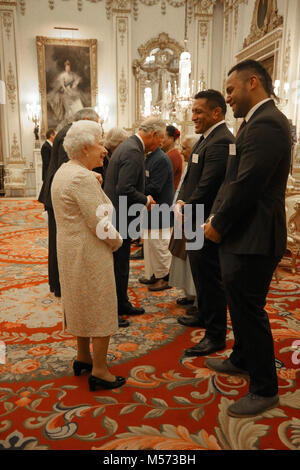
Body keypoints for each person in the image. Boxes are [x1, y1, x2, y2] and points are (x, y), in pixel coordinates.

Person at [203, 60, 291, 417]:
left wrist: (218, 224)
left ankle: (265, 387)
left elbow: (249, 184)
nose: (228, 99)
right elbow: (233, 179)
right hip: (244, 233)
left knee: (249, 309)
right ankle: (241, 357)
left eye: (230, 90)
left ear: (252, 82)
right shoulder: (253, 123)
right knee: (238, 303)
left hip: (255, 236)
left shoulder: (268, 122)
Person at [51, 120, 125, 391]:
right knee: (99, 305)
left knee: (79, 301)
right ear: (85, 147)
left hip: (70, 250)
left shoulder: (65, 171)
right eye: (100, 143)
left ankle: (83, 357)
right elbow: (101, 223)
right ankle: (100, 370)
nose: (104, 149)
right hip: (90, 251)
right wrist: (117, 242)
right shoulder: (82, 178)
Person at [174, 90, 235, 359]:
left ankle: (215, 335)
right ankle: (203, 315)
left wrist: (185, 206)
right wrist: (182, 202)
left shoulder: (222, 140)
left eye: (198, 111)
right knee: (200, 273)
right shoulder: (206, 139)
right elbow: (192, 179)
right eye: (193, 111)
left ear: (216, 113)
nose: (193, 116)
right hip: (194, 216)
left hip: (206, 221)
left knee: (210, 278)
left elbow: (210, 184)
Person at [104, 117, 164, 327]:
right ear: (154, 134)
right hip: (119, 217)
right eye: (161, 139)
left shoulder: (130, 146)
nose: (161, 144)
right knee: (117, 265)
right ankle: (112, 310)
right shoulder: (132, 150)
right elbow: (125, 189)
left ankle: (122, 303)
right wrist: (146, 199)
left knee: (121, 265)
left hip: (119, 215)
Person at [38, 107, 100, 297]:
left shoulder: (66, 130)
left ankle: (57, 283)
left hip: (55, 193)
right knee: (61, 241)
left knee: (58, 239)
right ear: (87, 119)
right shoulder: (71, 134)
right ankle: (60, 284)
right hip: (61, 194)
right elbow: (72, 167)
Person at [139, 145, 174, 291]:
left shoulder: (160, 159)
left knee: (160, 246)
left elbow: (155, 187)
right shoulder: (151, 157)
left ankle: (165, 278)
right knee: (151, 245)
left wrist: (135, 189)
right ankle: (155, 273)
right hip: (151, 209)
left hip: (160, 210)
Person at [168, 135, 198, 305]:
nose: (181, 151)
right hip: (182, 215)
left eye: (185, 148)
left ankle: (196, 299)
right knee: (181, 258)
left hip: (192, 215)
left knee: (192, 262)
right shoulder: (190, 165)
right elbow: (181, 188)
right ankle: (189, 294)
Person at [48, 59, 85, 126]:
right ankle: (69, 124)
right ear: (65, 67)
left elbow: (78, 79)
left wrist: (74, 85)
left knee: (77, 105)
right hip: (66, 93)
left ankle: (77, 122)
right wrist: (67, 92)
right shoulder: (62, 75)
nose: (68, 68)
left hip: (73, 92)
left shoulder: (72, 74)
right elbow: (62, 85)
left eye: (69, 67)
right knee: (69, 110)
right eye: (66, 67)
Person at [162, 125, 182, 191]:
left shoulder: (173, 155)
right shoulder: (169, 153)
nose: (161, 140)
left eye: (163, 137)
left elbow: (164, 178)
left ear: (171, 139)